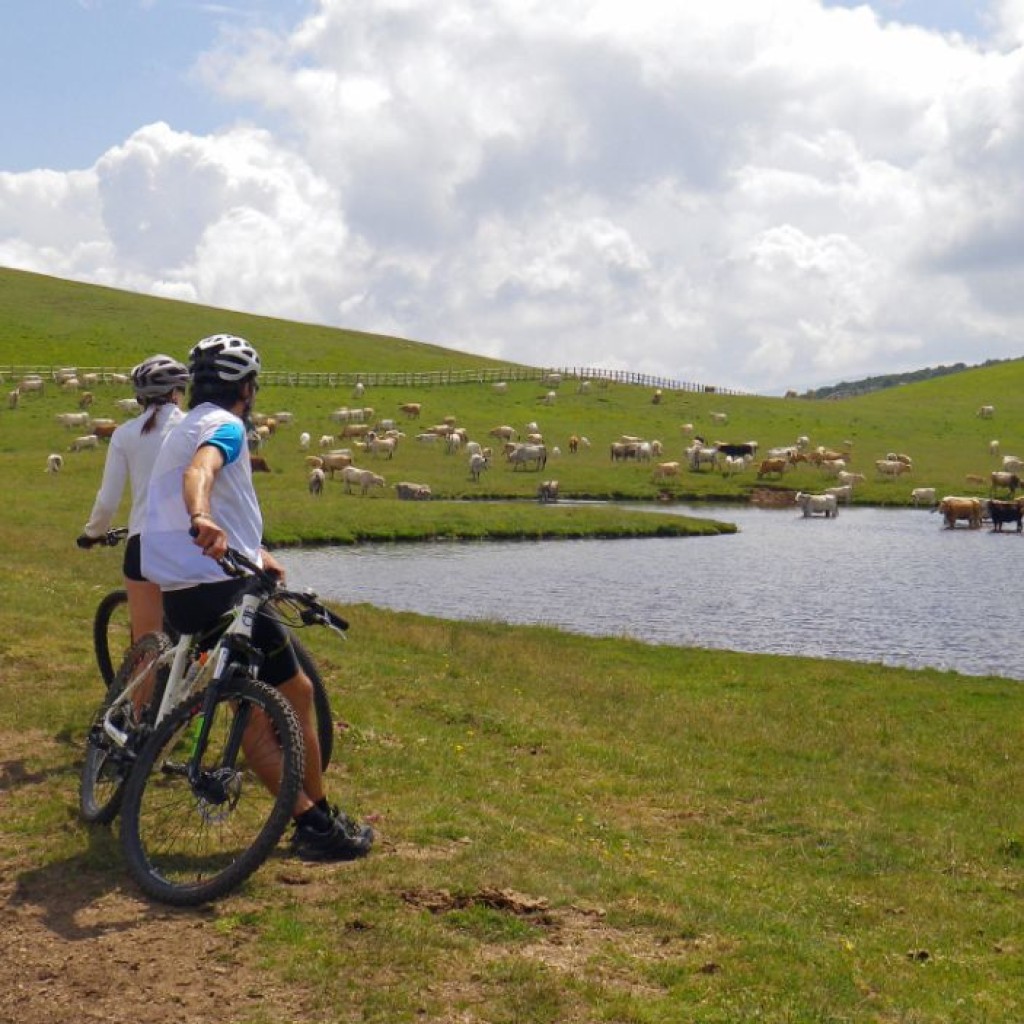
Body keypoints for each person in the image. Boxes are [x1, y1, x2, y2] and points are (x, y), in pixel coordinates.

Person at [141, 333, 373, 862]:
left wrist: (254, 547)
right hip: (221, 587)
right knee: (295, 697)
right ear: (246, 388)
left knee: (247, 699)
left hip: (180, 589)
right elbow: (202, 472)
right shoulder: (225, 427)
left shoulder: (183, 424)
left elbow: (213, 487)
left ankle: (310, 813)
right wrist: (202, 516)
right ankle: (317, 820)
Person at [78, 354, 190, 643]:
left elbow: (108, 500)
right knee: (194, 637)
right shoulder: (197, 428)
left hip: (146, 543)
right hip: (194, 543)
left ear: (139, 398)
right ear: (177, 393)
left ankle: (145, 683)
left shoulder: (125, 434)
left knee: (146, 644)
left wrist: (92, 534)